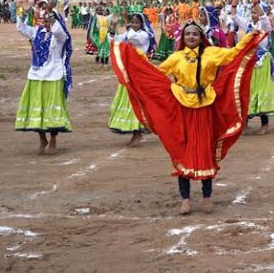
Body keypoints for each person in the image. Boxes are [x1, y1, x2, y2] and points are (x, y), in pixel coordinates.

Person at [110, 22, 263, 215]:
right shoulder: (176, 57)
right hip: (181, 107)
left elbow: (234, 53)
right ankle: (185, 200)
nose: (191, 37)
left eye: (195, 34)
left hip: (205, 107)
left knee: (205, 149)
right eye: (187, 34)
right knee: (182, 150)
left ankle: (207, 197)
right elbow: (156, 73)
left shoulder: (212, 53)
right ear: (183, 38)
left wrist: (250, 38)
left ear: (201, 37)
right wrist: (136, 58)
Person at [15, 7, 74, 154]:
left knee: (52, 111)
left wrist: (51, 11)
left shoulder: (60, 36)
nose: (46, 24)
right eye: (45, 21)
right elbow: (20, 27)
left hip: (54, 76)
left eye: (49, 21)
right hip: (36, 76)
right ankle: (42, 139)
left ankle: (53, 139)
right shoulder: (37, 32)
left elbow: (57, 30)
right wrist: (24, 12)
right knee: (36, 109)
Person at [108, 12, 156, 146]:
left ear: (142, 24)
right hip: (129, 69)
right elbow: (114, 40)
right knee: (129, 98)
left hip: (140, 70)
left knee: (136, 99)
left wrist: (126, 21)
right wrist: (113, 28)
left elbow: (133, 38)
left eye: (137, 22)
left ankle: (137, 131)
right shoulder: (130, 32)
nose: (134, 25)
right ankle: (137, 130)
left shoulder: (144, 35)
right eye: (133, 22)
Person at [246, 5, 274, 135]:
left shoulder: (265, 26)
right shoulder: (249, 25)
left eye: (255, 12)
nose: (253, 14)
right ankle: (245, 124)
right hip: (250, 61)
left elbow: (263, 16)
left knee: (261, 90)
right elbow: (235, 17)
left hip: (262, 62)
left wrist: (255, 3)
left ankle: (265, 125)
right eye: (252, 12)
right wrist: (234, 4)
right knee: (248, 90)